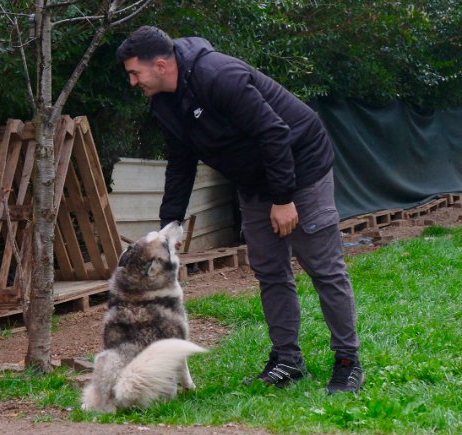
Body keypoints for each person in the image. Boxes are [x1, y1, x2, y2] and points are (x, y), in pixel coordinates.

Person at [116, 25, 364, 393]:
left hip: (300, 164)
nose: (133, 82)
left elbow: (274, 132)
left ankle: (347, 361)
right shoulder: (163, 101)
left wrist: (283, 199)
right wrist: (171, 224)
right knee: (269, 269)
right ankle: (287, 359)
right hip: (253, 177)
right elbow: (181, 160)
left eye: (135, 73)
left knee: (322, 267)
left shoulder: (218, 76)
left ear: (163, 64)